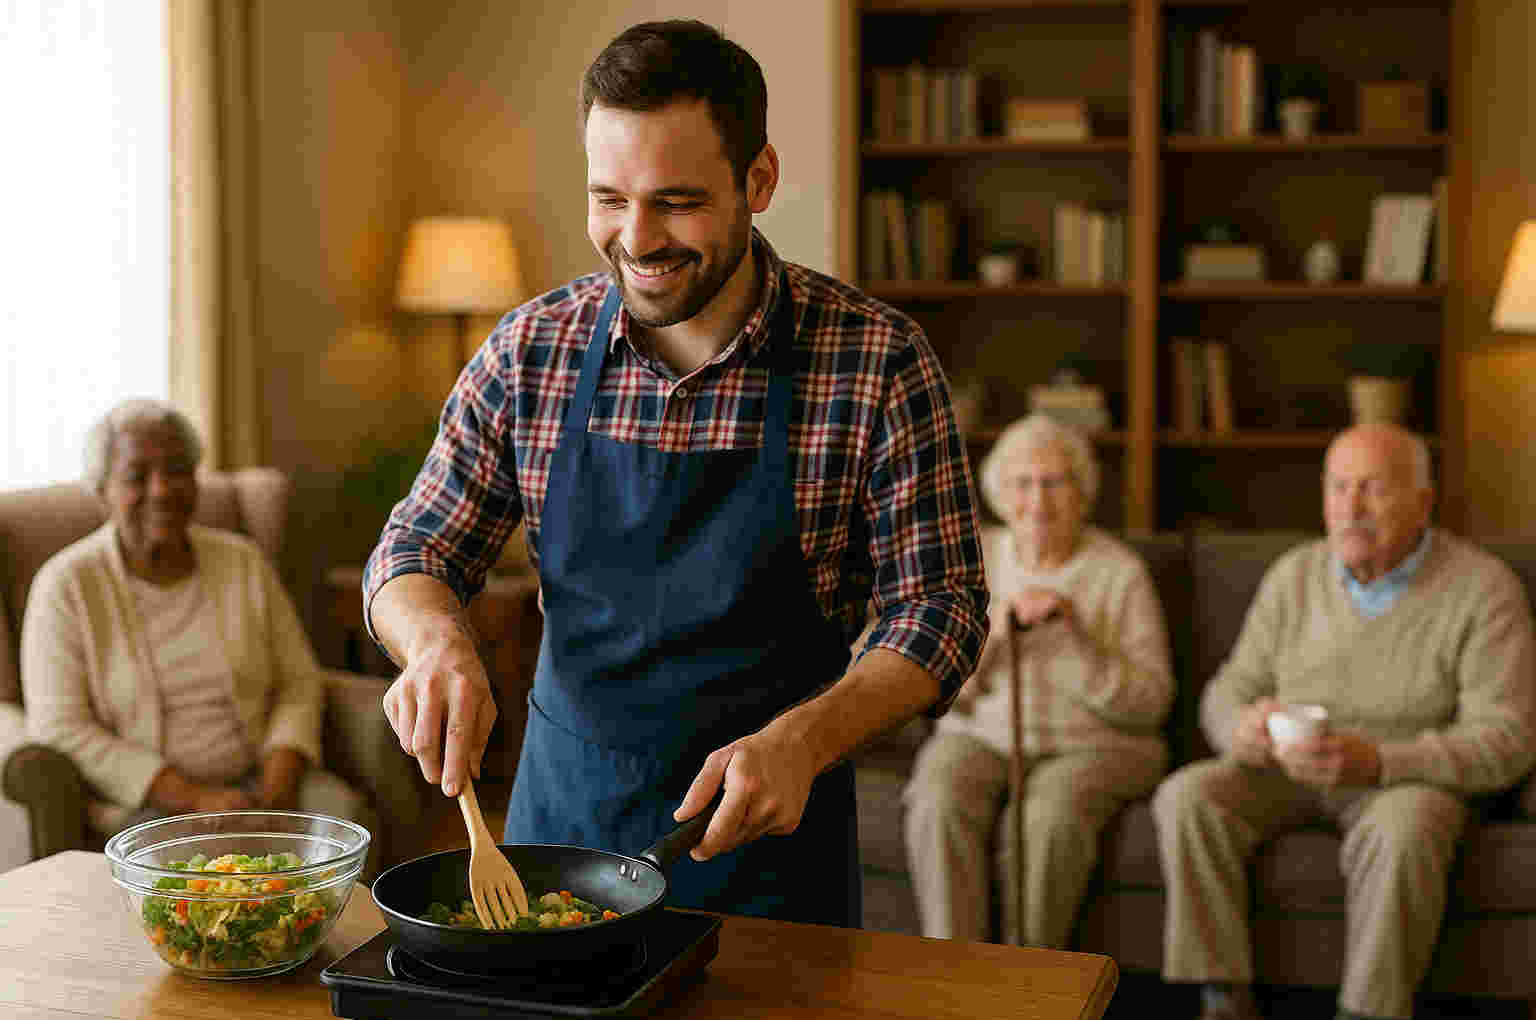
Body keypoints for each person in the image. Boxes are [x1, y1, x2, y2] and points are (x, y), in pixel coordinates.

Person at [362, 19, 988, 927]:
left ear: (758, 181)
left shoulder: (876, 360)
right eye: (609, 199)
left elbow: (941, 608)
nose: (637, 238)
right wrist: (435, 644)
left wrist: (808, 738)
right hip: (556, 855)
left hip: (772, 865)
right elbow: (416, 548)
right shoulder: (529, 352)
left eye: (677, 202)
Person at [1153, 423, 1536, 1020]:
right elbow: (1228, 689)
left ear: (1424, 502)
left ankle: (1367, 1015)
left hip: (1403, 779)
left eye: (1373, 489)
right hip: (1289, 769)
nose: (1351, 507)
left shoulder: (1484, 589)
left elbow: (1508, 740)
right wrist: (1239, 727)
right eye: (1338, 488)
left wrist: (1379, 761)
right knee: (1187, 796)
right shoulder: (1294, 575)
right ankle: (1223, 1000)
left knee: (1405, 829)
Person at [20, 399, 375, 839]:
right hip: (146, 804)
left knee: (343, 828)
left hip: (260, 782)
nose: (162, 490)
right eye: (137, 476)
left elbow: (298, 682)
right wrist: (193, 797)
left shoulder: (242, 560)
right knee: (186, 861)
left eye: (177, 470)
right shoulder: (65, 584)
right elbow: (60, 727)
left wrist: (278, 788)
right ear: (101, 490)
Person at [902, 414, 1173, 947]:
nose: (1038, 501)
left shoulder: (1119, 572)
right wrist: (995, 634)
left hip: (1092, 746)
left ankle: (1030, 977)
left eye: (1054, 483)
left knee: (1047, 819)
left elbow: (1151, 702)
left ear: (1082, 493)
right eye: (1022, 484)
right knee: (937, 796)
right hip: (981, 737)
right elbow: (937, 687)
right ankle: (950, 969)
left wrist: (1077, 641)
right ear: (1000, 494)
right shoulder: (973, 560)